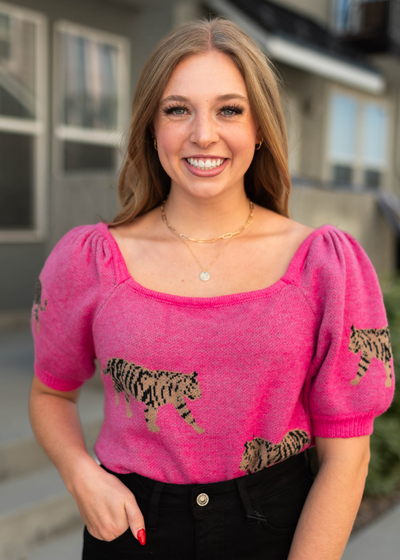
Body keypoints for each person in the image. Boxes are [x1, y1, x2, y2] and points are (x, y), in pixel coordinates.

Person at [29, 17, 394, 560]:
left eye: (230, 109)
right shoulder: (91, 260)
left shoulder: (324, 264)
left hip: (277, 532)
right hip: (132, 533)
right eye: (178, 109)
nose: (204, 134)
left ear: (260, 128)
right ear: (152, 127)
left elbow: (348, 454)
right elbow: (49, 394)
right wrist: (80, 472)